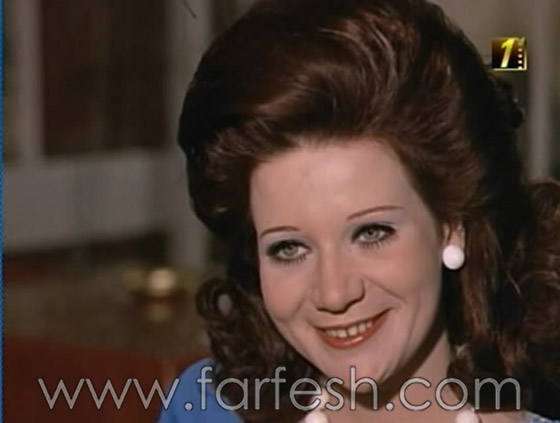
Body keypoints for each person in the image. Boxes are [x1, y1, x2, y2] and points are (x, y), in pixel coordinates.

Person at [159, 0, 560, 422]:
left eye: (371, 233)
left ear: (450, 223)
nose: (334, 293)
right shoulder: (204, 410)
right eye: (289, 248)